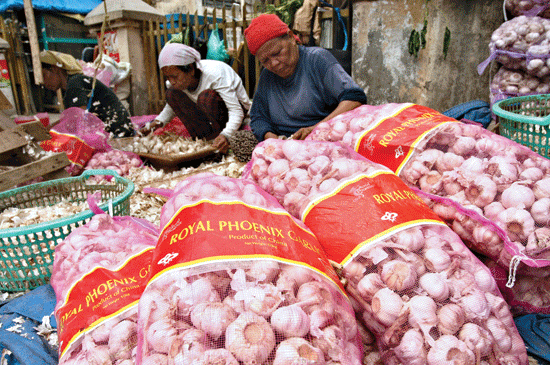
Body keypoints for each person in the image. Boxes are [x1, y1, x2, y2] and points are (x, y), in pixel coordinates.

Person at [244, 13, 367, 141]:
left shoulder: (317, 59)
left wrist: (315, 129)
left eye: (277, 53)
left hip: (323, 139)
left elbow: (354, 98)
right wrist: (273, 140)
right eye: (265, 61)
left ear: (291, 37)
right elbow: (258, 116)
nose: (273, 63)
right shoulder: (267, 76)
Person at [142, 43, 252, 154]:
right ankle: (204, 140)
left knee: (206, 98)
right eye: (168, 77)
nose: (172, 81)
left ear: (191, 69)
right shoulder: (177, 83)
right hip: (209, 116)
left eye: (175, 76)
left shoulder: (215, 74)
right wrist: (153, 125)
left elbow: (236, 111)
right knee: (171, 93)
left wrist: (226, 135)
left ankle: (220, 139)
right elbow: (171, 107)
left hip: (236, 111)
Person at [40, 50, 135, 138]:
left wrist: (50, 130)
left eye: (44, 75)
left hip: (118, 132)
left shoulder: (74, 83)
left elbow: (78, 118)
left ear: (55, 69)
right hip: (115, 130)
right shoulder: (73, 85)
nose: (43, 82)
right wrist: (50, 128)